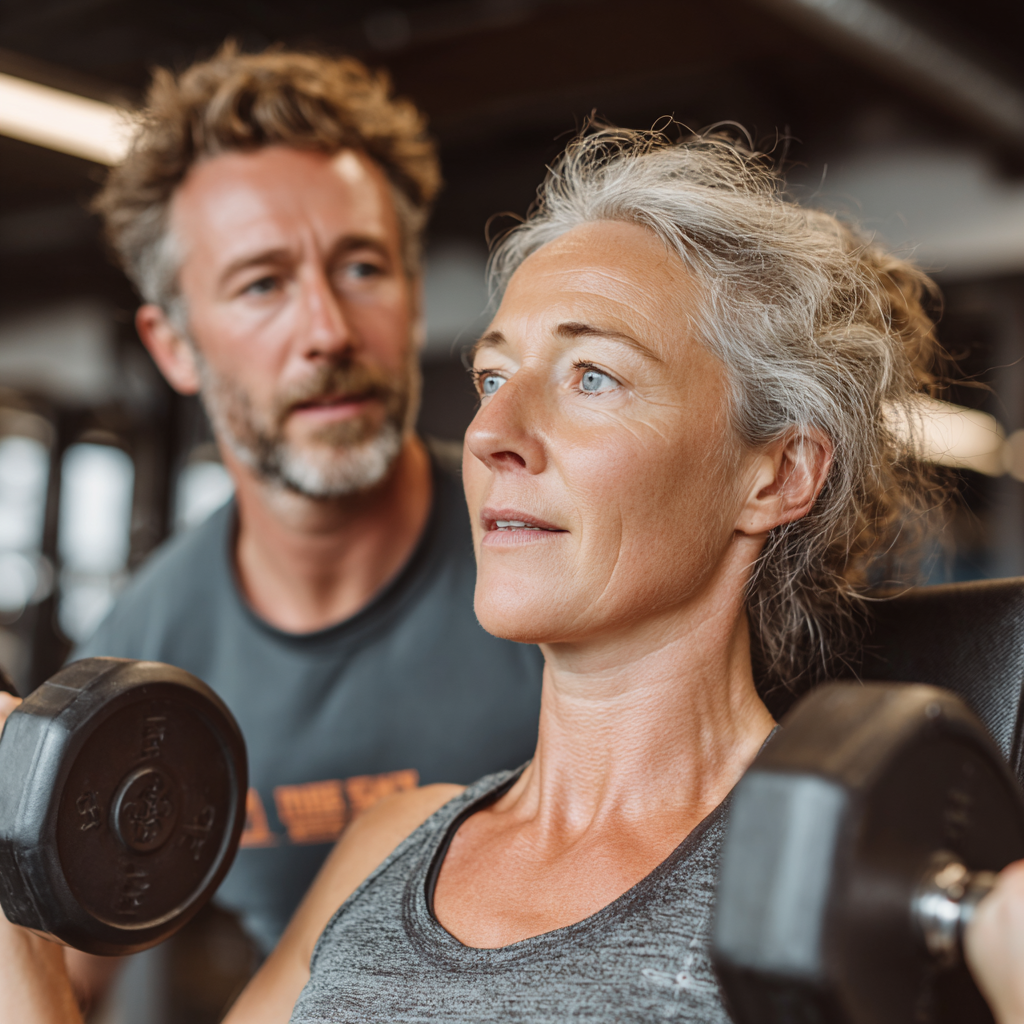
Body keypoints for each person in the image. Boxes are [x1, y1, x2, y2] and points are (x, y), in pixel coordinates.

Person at [3, 126, 1024, 1024]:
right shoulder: (389, 845)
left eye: (592, 375)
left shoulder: (873, 887)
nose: (491, 431)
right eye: (493, 376)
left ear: (777, 471)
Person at [62, 43, 543, 999]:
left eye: (362, 267)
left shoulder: (556, 560)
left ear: (410, 297)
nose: (326, 329)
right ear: (175, 345)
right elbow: (59, 973)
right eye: (262, 284)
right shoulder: (142, 655)